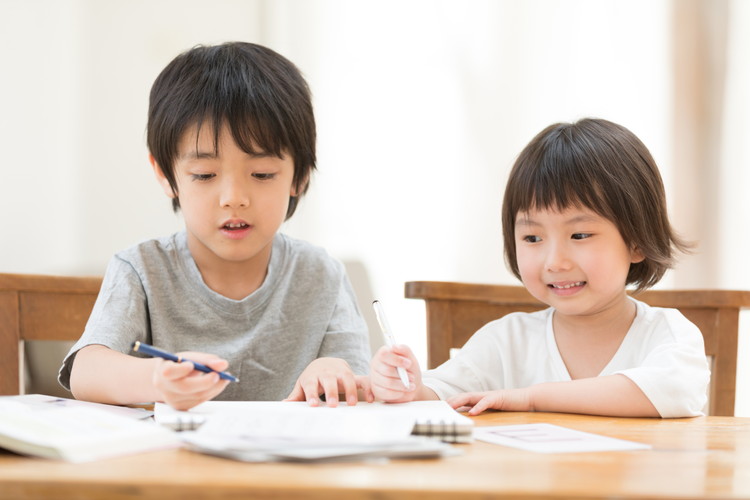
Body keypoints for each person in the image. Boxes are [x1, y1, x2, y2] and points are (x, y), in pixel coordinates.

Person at [59, 42, 371, 410]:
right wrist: (156, 379)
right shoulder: (141, 270)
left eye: (262, 173)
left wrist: (331, 369)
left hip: (293, 465)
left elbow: (359, 380)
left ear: (299, 176)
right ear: (166, 175)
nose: (234, 198)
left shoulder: (322, 275)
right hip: (173, 463)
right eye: (205, 174)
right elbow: (86, 370)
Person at [369, 118, 710, 418]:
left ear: (636, 240)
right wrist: (409, 386)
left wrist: (531, 398)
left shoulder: (668, 334)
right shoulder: (506, 340)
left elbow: (670, 391)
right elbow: (444, 392)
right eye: (532, 238)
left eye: (580, 234)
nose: (555, 262)